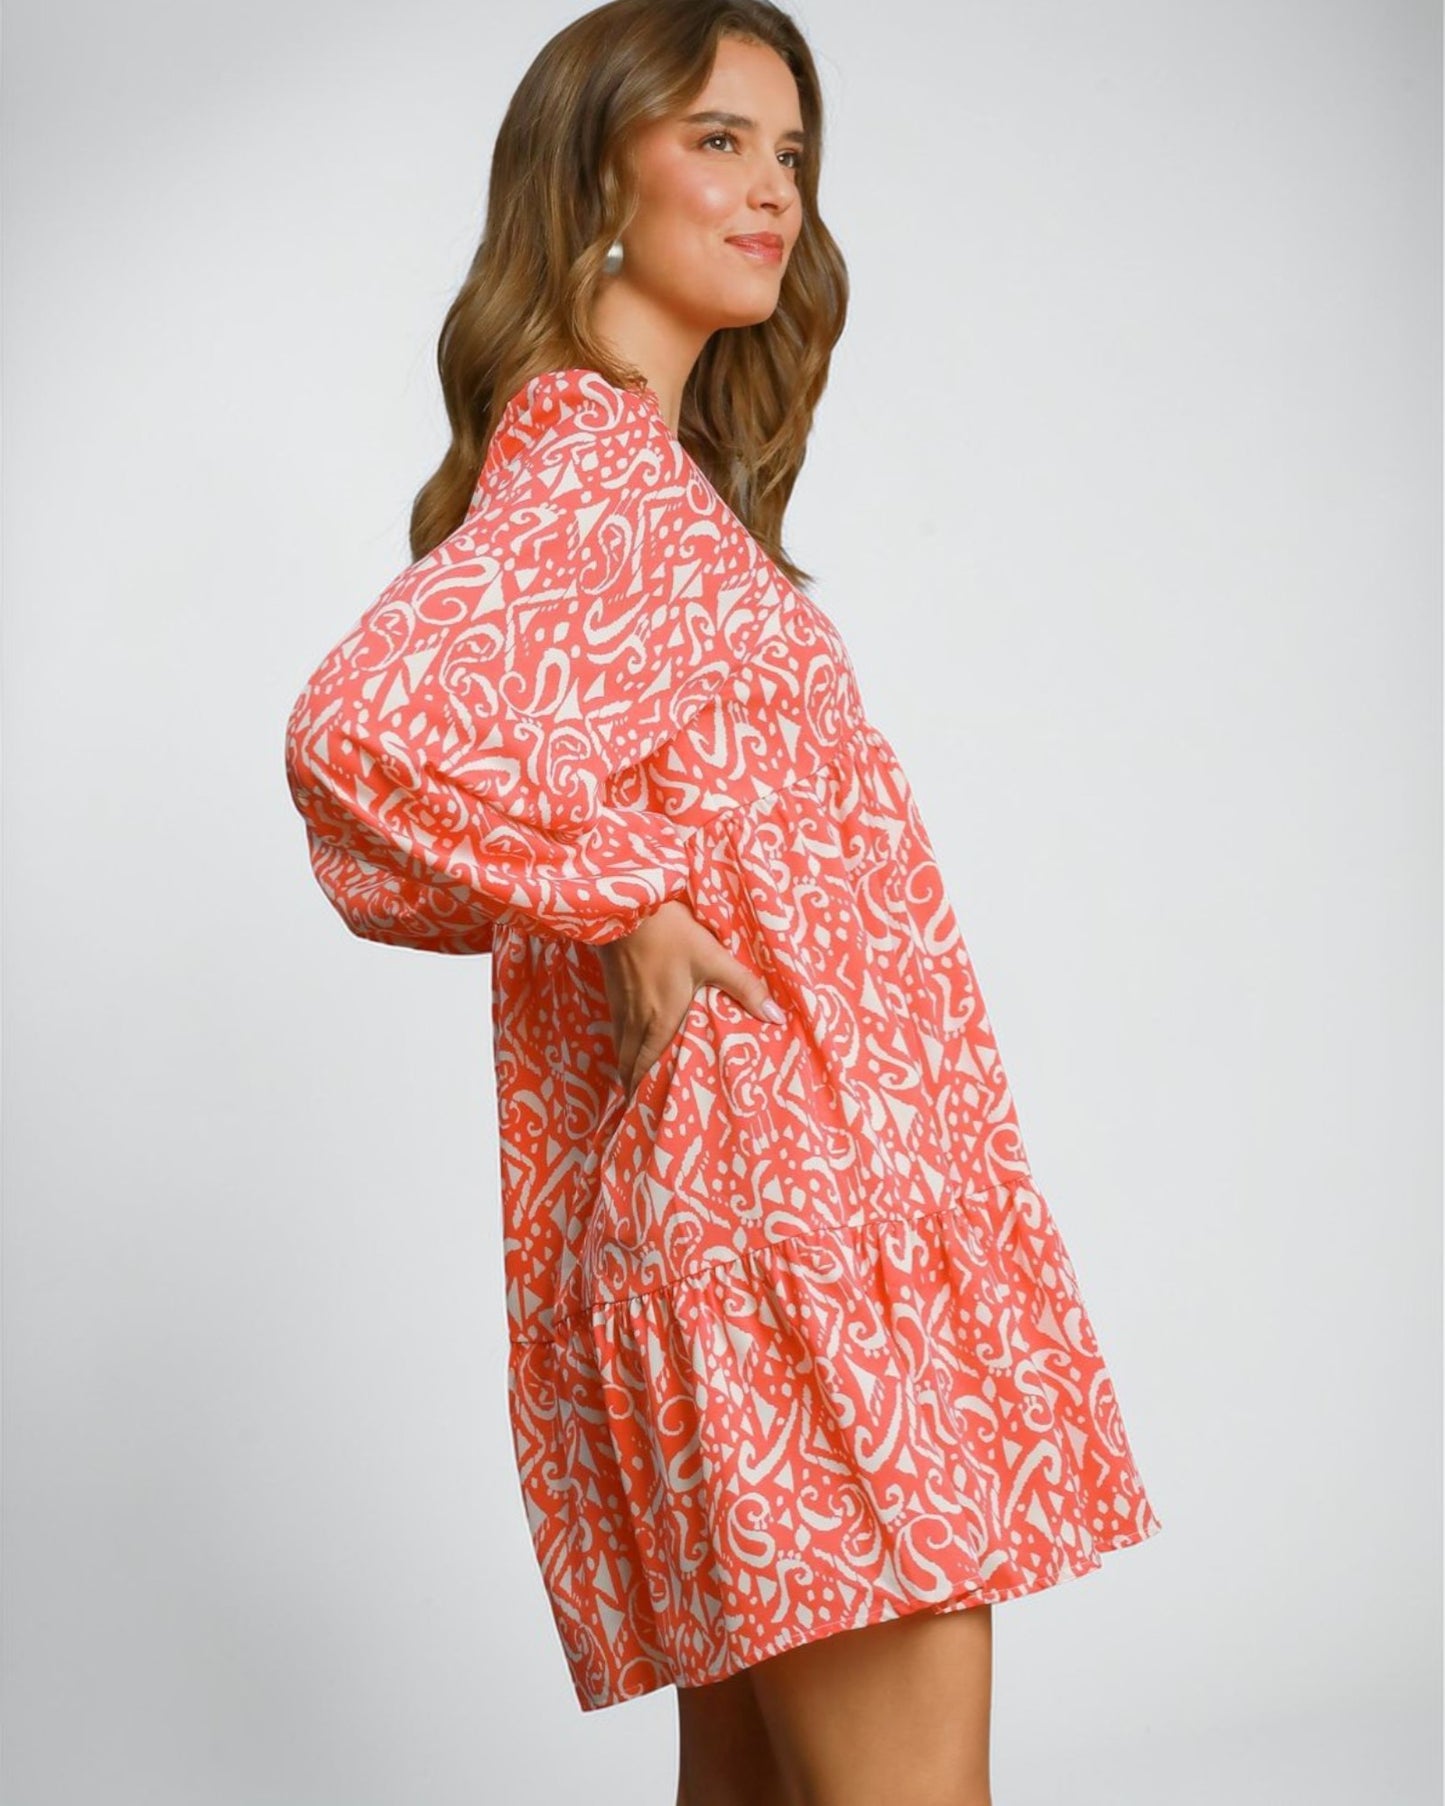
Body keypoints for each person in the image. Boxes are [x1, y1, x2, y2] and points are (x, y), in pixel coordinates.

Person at [282, 2, 1164, 1800]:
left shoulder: (647, 489)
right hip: (789, 1230)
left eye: (791, 154)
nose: (772, 191)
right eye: (716, 140)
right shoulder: (600, 471)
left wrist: (605, 894)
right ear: (592, 180)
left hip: (749, 1225)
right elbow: (357, 735)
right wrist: (618, 897)